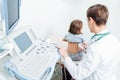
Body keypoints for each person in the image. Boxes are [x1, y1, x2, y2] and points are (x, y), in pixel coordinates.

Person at [57, 4, 120, 80]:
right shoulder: (115, 41)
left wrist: (65, 55)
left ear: (91, 20)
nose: (87, 23)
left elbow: (78, 74)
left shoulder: (95, 49)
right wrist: (88, 46)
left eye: (87, 20)